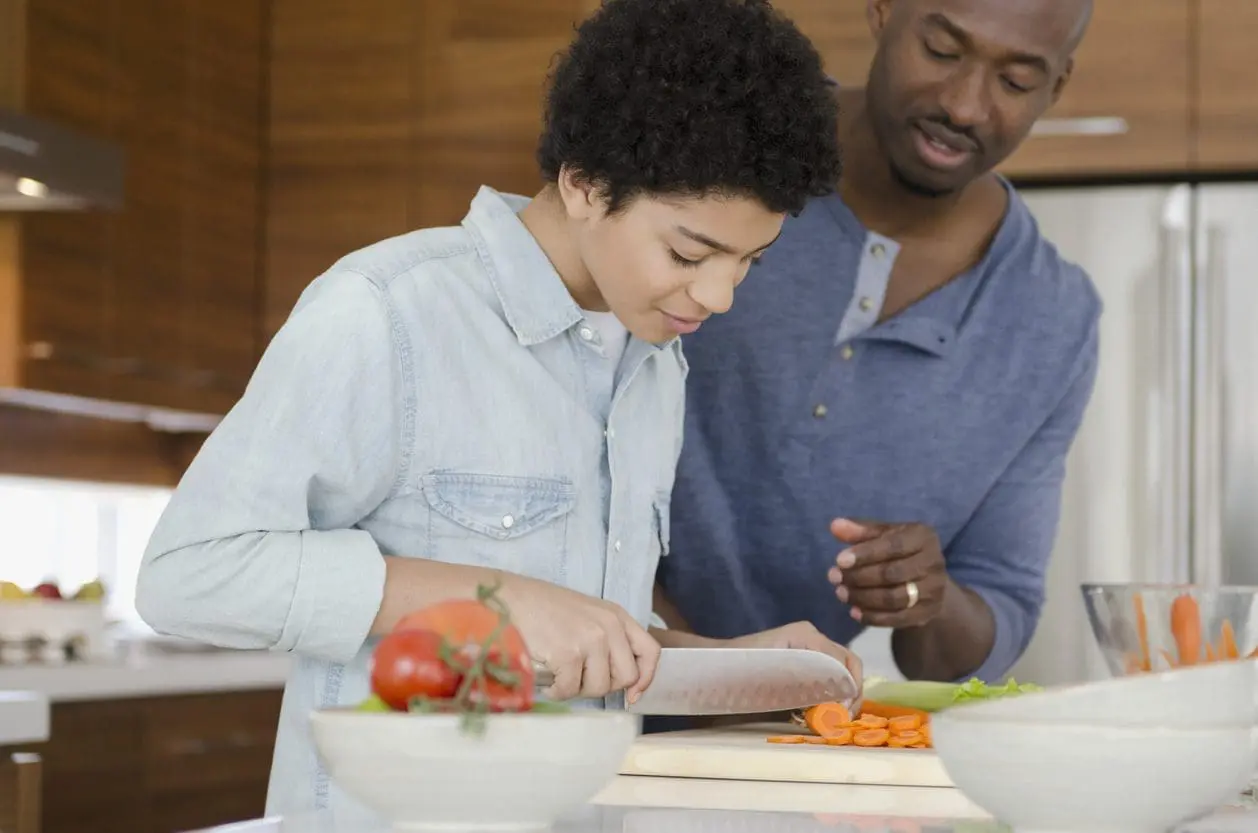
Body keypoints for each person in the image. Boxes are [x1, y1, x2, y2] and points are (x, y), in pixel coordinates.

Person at [133, 0, 861, 821]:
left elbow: (576, 638)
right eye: (690, 253)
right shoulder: (385, 312)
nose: (719, 295)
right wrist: (493, 596)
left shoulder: (655, 357)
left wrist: (734, 663)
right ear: (585, 185)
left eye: (749, 262)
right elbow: (188, 575)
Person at [655, 0, 1101, 688]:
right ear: (883, 11)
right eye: (943, 51)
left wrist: (928, 596)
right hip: (575, 701)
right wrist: (694, 671)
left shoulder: (1053, 318)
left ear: (1059, 85)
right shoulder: (717, 141)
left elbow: (998, 610)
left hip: (791, 741)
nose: (965, 106)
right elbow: (563, 421)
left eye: (1014, 82)